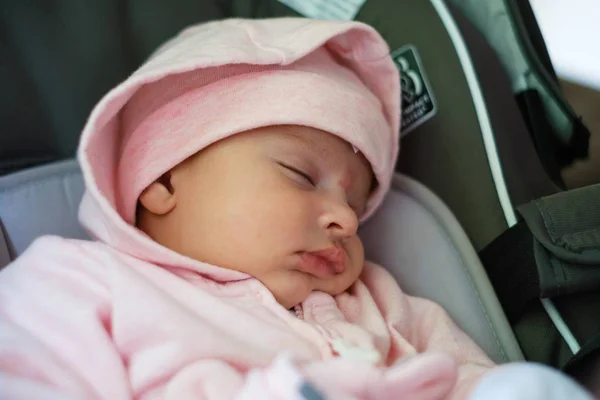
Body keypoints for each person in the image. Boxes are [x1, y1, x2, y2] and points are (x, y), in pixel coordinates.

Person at [0, 18, 593, 400]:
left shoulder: (377, 301)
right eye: (299, 174)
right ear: (161, 181)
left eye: (358, 204)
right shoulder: (74, 282)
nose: (346, 219)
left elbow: (463, 378)